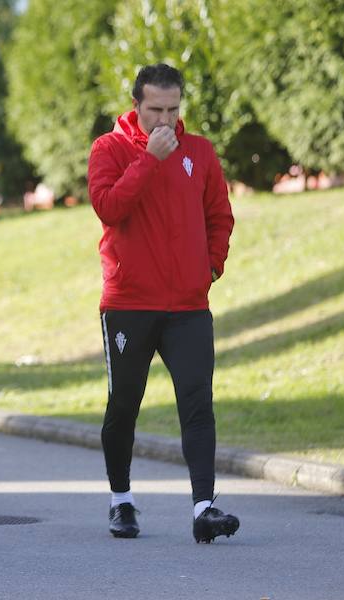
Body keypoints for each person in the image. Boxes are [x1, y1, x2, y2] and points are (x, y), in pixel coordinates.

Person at [87, 63, 240, 543]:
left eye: (174, 110)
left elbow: (219, 216)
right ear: (137, 105)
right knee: (125, 406)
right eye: (155, 109)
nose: (165, 120)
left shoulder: (200, 152)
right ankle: (121, 501)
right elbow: (108, 207)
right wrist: (149, 158)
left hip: (189, 305)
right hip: (129, 304)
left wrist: (210, 268)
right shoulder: (108, 149)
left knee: (198, 404)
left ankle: (204, 508)